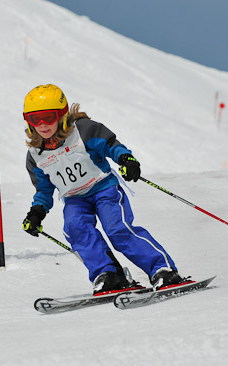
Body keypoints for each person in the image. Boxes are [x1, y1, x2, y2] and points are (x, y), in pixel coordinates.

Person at [21, 84, 188, 295]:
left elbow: (111, 145)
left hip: (104, 189)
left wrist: (126, 159)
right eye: (35, 119)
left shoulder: (83, 130)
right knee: (75, 229)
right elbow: (44, 190)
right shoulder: (36, 156)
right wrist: (36, 213)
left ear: (62, 115)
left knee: (117, 229)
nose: (42, 125)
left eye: (48, 117)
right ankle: (110, 275)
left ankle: (162, 270)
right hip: (74, 199)